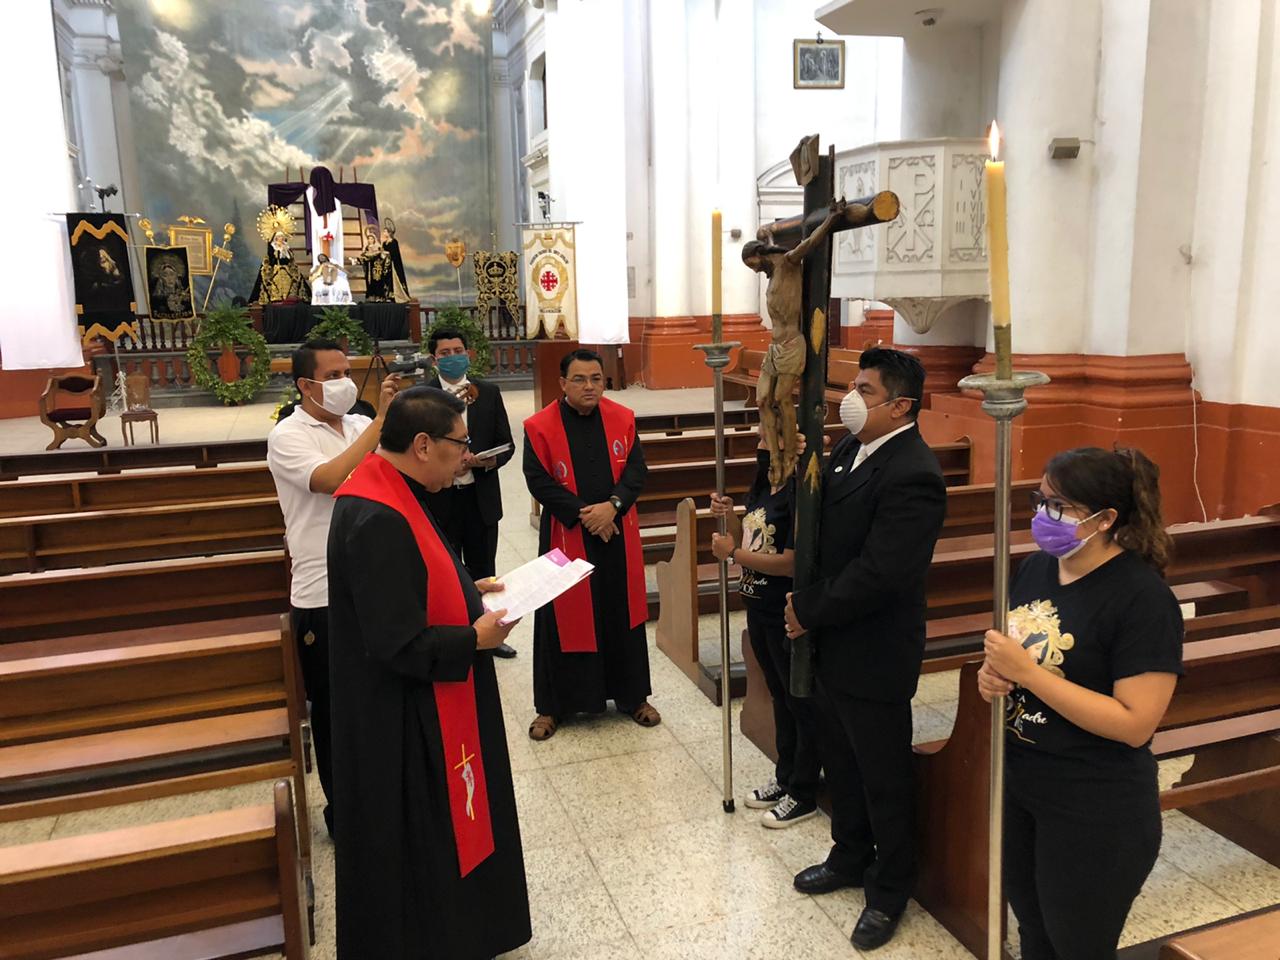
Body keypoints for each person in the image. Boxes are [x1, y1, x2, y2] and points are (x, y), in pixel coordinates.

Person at [327, 386, 531, 959]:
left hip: (418, 701)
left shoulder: (393, 487)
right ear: (422, 444)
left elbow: (419, 574)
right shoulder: (374, 516)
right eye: (460, 445)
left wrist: (471, 587)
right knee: (423, 835)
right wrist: (475, 636)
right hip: (401, 715)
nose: (468, 457)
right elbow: (396, 642)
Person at [978, 447, 1182, 960]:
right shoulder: (1036, 569)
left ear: (1106, 518)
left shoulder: (1143, 599)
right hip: (1021, 784)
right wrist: (994, 677)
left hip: (1094, 804)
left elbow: (1135, 724)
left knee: (1079, 944)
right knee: (1035, 934)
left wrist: (1028, 673)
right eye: (1040, 500)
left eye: (1060, 505)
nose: (1043, 515)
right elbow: (1022, 659)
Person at [784, 347, 946, 951]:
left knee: (882, 773)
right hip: (833, 642)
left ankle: (889, 887)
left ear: (901, 405)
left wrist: (809, 609)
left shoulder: (915, 473)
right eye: (853, 385)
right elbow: (828, 527)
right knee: (842, 759)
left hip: (874, 647)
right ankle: (849, 854)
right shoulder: (852, 449)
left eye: (866, 390)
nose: (850, 399)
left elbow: (883, 571)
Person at [265, 339, 398, 836]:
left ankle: (383, 796)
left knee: (380, 698)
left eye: (348, 370)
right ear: (305, 384)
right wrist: (383, 424)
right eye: (334, 373)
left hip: (375, 582)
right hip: (321, 592)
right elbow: (330, 479)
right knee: (336, 708)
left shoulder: (362, 425)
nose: (345, 380)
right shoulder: (288, 435)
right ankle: (344, 809)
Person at [522, 349, 658, 740]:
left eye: (596, 378)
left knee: (621, 611)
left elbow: (636, 471)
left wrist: (612, 508)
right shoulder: (539, 426)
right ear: (563, 383)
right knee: (561, 619)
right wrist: (587, 515)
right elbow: (539, 481)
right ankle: (551, 706)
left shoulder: (623, 419)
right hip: (568, 536)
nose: (589, 386)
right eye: (579, 379)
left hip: (615, 534)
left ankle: (633, 696)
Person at [709, 430, 821, 828]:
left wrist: (733, 554)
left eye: (765, 442)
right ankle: (785, 777)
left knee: (798, 701)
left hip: (783, 610)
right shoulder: (761, 486)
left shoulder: (797, 495)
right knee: (778, 696)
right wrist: (729, 518)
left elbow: (791, 561)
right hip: (755, 606)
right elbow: (750, 538)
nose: (758, 446)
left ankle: (804, 790)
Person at [423, 326, 517, 658]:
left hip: (480, 498)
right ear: (434, 359)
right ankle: (455, 636)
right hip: (440, 499)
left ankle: (491, 634)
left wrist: (482, 462)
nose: (453, 357)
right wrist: (447, 463)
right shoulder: (423, 397)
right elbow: (416, 449)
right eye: (445, 353)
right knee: (447, 571)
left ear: (469, 354)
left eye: (458, 351)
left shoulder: (488, 393)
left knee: (483, 569)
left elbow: (507, 445)